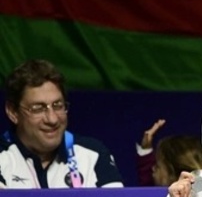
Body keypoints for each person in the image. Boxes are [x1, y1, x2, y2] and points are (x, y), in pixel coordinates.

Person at [1, 59, 123, 188]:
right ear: (13, 112)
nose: (52, 119)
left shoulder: (93, 154)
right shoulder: (3, 157)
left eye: (58, 106)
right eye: (38, 108)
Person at [136, 118, 202, 186]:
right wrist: (145, 149)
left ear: (173, 175)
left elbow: (149, 189)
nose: (152, 168)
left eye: (157, 166)